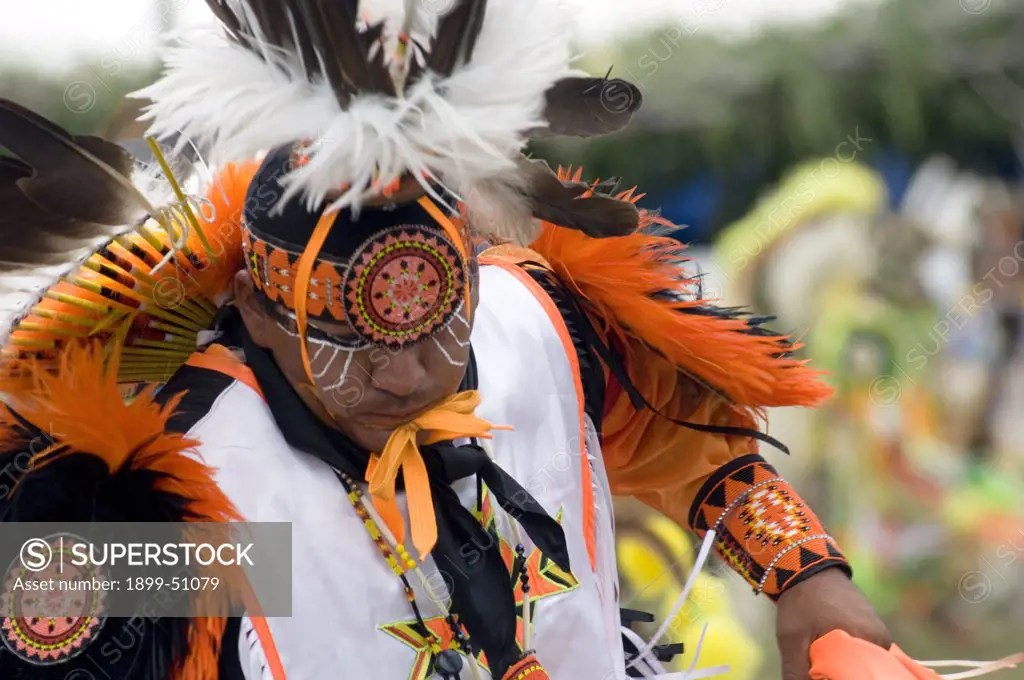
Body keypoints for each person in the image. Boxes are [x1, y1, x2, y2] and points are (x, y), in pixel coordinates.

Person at [0, 2, 909, 679]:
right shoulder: (197, 475)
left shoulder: (533, 328)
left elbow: (688, 441)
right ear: (261, 312)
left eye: (440, 332)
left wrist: (808, 579)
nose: (406, 376)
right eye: (347, 347)